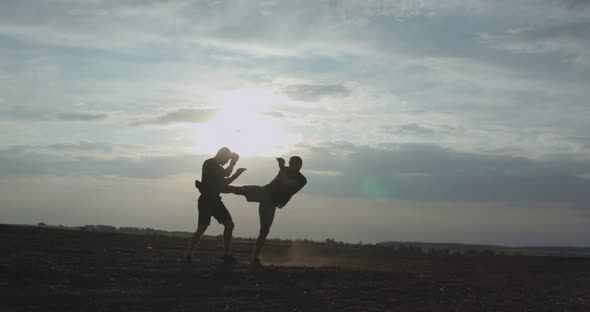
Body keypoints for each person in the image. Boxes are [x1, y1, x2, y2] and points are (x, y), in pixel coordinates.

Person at [195, 156, 307, 266]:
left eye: (292, 163)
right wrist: (282, 168)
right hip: (265, 191)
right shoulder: (285, 170)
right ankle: (210, 187)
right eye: (290, 163)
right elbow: (281, 179)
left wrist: (281, 166)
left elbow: (286, 183)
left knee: (264, 230)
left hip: (272, 203)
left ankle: (254, 258)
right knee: (240, 189)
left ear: (299, 165)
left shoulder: (301, 179)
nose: (290, 165)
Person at [186, 147, 246, 264]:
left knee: (229, 225)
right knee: (202, 228)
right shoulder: (209, 163)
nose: (226, 162)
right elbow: (226, 175)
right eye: (226, 159)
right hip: (206, 200)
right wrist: (233, 164)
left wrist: (236, 173)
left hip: (215, 201)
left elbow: (224, 181)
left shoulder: (216, 167)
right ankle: (189, 254)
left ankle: (227, 254)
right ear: (220, 155)